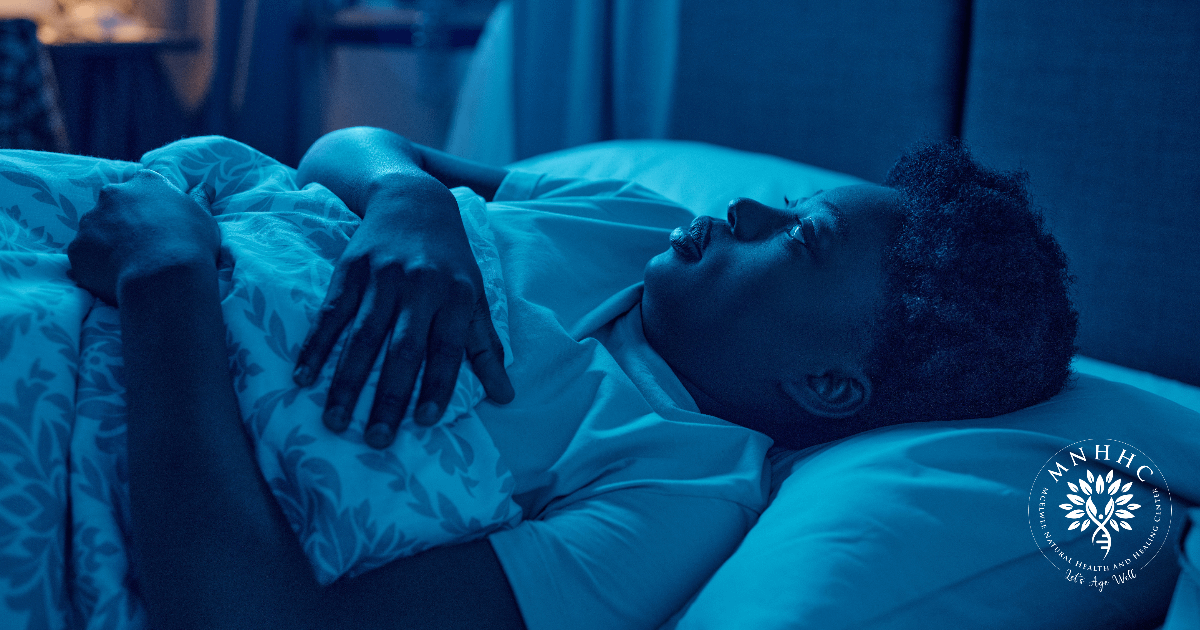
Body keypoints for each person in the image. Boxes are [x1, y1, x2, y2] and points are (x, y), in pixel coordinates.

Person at [65, 127, 1076, 630]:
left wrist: (167, 282)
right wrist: (410, 199)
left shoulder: (675, 499)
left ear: (828, 385)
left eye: (797, 238)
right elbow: (342, 150)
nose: (745, 212)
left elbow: (257, 620)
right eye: (779, 203)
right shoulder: (634, 223)